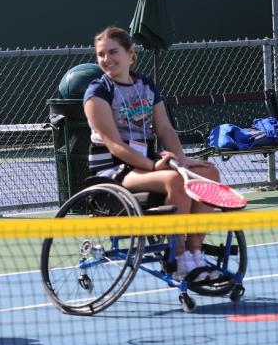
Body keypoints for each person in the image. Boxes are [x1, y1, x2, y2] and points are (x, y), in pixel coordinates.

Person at [83, 25, 222, 278]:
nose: (106, 59)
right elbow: (114, 144)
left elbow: (165, 129)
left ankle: (195, 254)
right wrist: (156, 167)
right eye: (101, 54)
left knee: (208, 172)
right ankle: (177, 258)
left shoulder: (146, 85)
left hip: (147, 162)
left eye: (113, 52)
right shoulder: (97, 93)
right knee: (176, 180)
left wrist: (180, 161)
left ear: (129, 53)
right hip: (113, 169)